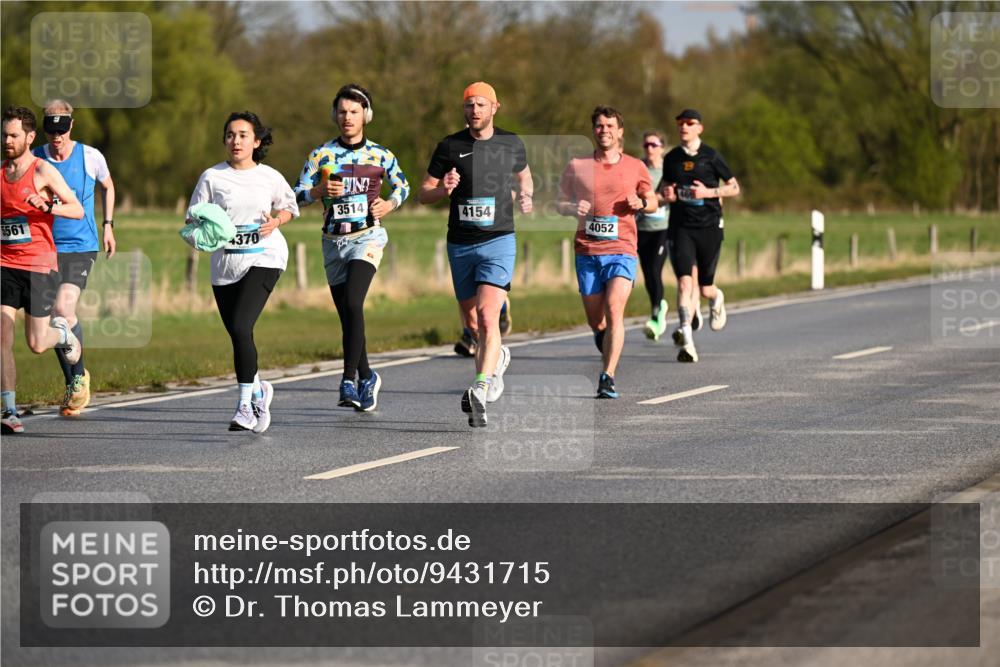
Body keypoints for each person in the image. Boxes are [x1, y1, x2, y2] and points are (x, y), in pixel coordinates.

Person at [419, 82, 532, 427]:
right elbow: (424, 193)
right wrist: (443, 189)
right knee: (472, 324)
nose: (475, 111)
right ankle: (496, 359)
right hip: (461, 244)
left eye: (481, 105)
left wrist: (526, 196)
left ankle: (480, 388)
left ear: (495, 107)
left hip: (498, 241)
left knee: (487, 317)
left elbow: (525, 178)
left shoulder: (511, 143)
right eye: (469, 105)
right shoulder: (449, 146)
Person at [295, 84, 409, 412]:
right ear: (335, 115)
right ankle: (368, 375)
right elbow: (296, 193)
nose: (347, 118)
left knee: (354, 301)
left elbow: (403, 185)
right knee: (348, 314)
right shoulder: (321, 155)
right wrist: (316, 192)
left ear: (366, 116)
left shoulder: (381, 155)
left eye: (354, 112)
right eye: (342, 112)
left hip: (367, 238)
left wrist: (389, 204)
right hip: (332, 243)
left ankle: (347, 381)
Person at [188, 111, 299, 431]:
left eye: (243, 135)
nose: (235, 141)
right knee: (239, 335)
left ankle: (244, 408)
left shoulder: (269, 176)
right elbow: (192, 219)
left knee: (240, 325)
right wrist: (204, 231)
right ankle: (259, 389)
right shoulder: (212, 177)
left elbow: (289, 207)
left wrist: (276, 222)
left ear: (256, 141)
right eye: (230, 135)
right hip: (225, 264)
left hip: (265, 256)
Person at [557, 106, 657, 398]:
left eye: (610, 126)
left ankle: (607, 376)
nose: (605, 130)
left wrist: (641, 203)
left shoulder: (636, 166)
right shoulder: (577, 165)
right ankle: (603, 337)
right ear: (594, 130)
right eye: (599, 126)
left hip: (622, 249)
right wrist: (573, 208)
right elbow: (560, 203)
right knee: (596, 320)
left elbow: (651, 200)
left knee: (615, 309)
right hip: (587, 250)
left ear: (620, 131)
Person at [1, 105, 84, 434]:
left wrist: (48, 205)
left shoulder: (42, 171)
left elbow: (77, 210)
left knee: (36, 343)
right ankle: (8, 410)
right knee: (2, 336)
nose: (8, 140)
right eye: (4, 135)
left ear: (29, 137)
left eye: (14, 135)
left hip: (38, 264)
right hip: (5, 264)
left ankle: (62, 334)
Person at [32, 99, 117, 416]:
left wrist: (108, 226)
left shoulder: (91, 157)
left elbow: (108, 186)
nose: (57, 138)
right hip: (43, 247)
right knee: (53, 321)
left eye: (62, 130)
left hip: (81, 244)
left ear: (72, 126)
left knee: (63, 308)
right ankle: (75, 382)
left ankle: (78, 379)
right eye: (51, 131)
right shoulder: (35, 158)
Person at [659, 108, 740, 362]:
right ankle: (687, 342)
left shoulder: (711, 156)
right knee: (685, 282)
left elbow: (734, 188)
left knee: (704, 289)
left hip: (709, 227)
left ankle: (716, 297)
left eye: (689, 123)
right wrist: (667, 195)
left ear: (699, 128)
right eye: (680, 123)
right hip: (680, 228)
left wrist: (708, 193)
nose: (684, 127)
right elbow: (663, 190)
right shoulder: (671, 158)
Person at [636, 130, 670, 340]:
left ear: (662, 148)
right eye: (646, 145)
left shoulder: (668, 169)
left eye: (654, 145)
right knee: (648, 273)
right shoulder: (638, 168)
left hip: (662, 229)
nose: (649, 149)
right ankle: (658, 306)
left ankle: (657, 315)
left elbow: (670, 193)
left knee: (656, 270)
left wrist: (653, 198)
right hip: (641, 228)